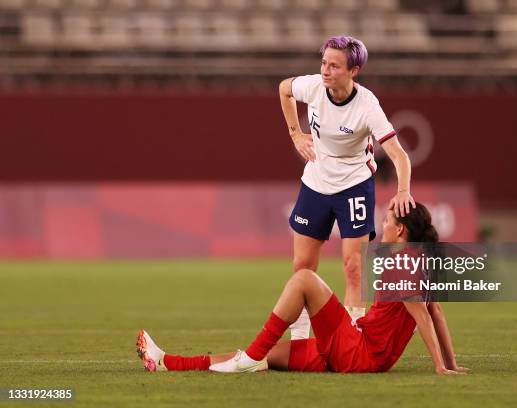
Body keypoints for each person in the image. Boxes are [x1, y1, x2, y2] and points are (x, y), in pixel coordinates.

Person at [136, 203, 469, 375]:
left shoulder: (401, 265)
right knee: (265, 356)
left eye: (386, 222)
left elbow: (424, 318)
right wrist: (450, 364)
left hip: (357, 352)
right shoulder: (420, 264)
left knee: (304, 279)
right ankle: (168, 362)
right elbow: (436, 313)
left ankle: (250, 358)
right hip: (354, 349)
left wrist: (440, 367)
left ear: (400, 231)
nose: (381, 225)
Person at [279, 36, 415, 339]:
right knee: (302, 265)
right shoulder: (314, 86)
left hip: (354, 185)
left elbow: (399, 155)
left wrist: (403, 190)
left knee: (353, 267)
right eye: (324, 63)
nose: (326, 70)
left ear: (353, 71)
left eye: (334, 66)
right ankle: (300, 339)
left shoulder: (367, 106)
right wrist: (295, 134)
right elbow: (284, 89)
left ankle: (354, 338)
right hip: (315, 182)